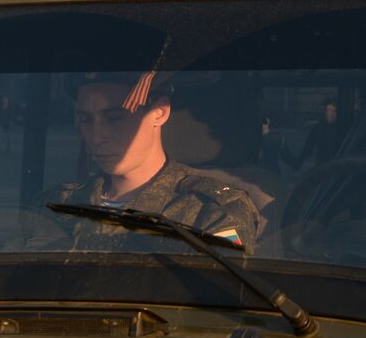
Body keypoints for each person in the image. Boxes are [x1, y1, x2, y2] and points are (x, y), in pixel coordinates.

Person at [39, 61, 260, 252]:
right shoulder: (58, 204)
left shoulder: (213, 211)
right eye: (86, 120)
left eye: (115, 117)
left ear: (160, 112)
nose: (96, 137)